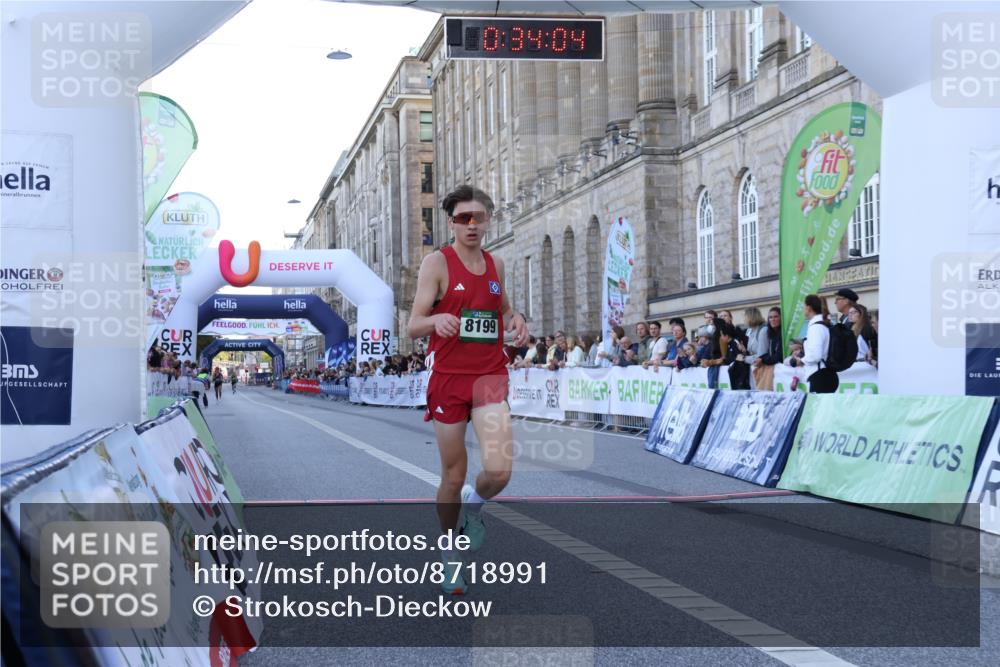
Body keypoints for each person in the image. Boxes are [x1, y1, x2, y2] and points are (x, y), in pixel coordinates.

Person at [406, 185, 528, 596]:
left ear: (489, 220)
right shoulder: (437, 263)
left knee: (499, 472)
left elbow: (503, 309)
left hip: (489, 376)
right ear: (452, 223)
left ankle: (473, 509)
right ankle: (449, 554)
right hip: (449, 380)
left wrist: (516, 320)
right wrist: (435, 321)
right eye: (463, 218)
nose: (472, 225)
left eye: (479, 217)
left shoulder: (496, 264)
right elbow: (413, 324)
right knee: (453, 475)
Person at [802, 294, 838, 393]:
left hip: (820, 376)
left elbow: (816, 356)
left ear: (809, 308)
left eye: (804, 306)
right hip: (826, 374)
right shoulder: (823, 325)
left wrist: (801, 361)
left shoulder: (816, 327)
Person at [752, 307, 784, 390]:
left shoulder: (783, 333)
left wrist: (762, 359)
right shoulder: (770, 333)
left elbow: (778, 356)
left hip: (782, 370)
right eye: (770, 317)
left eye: (776, 317)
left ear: (781, 318)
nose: (773, 319)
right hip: (773, 369)